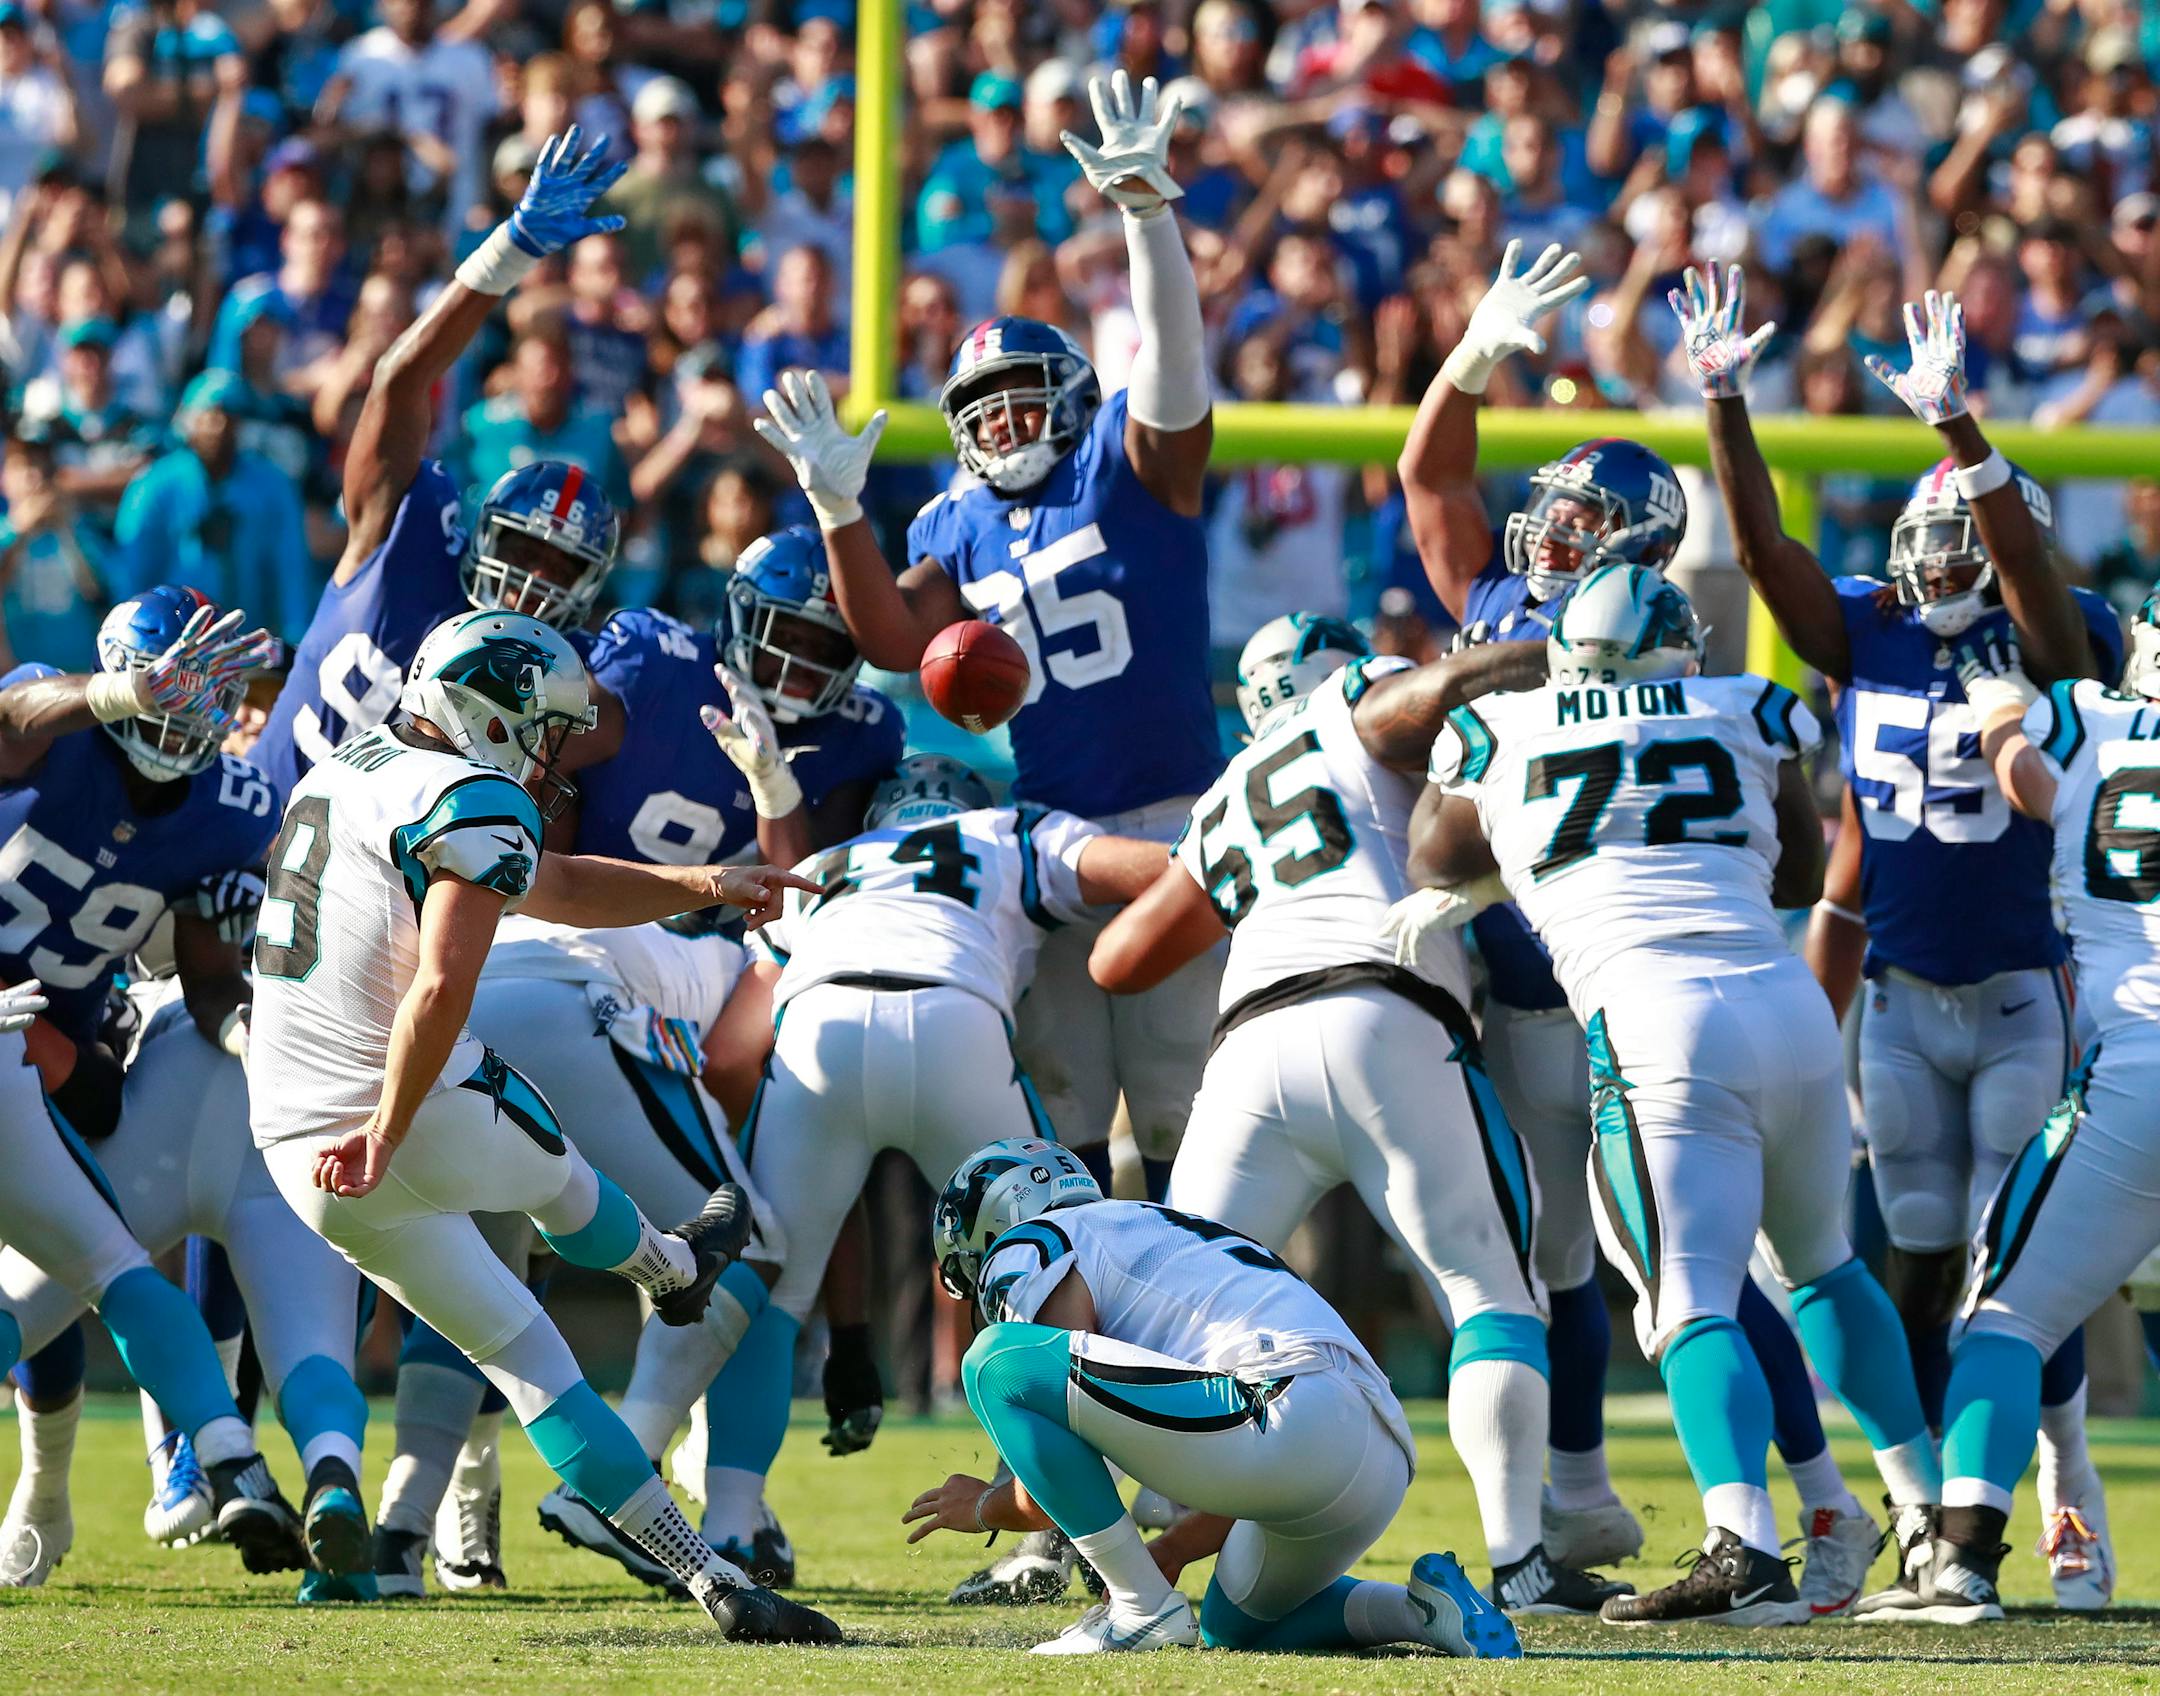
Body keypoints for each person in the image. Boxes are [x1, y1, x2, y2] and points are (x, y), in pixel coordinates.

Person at [749, 70, 1225, 1604]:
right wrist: (838, 507)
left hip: (1164, 829)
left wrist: (1151, 217)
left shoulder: (1123, 466)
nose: (1007, 423)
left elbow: (1175, 386)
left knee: (1195, 1159)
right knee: (1057, 1171)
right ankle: (1054, 1495)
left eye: (1027, 399)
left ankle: (1205, 1441)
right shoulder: (951, 519)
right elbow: (893, 637)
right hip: (1048, 845)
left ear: (1069, 404)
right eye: (984, 409)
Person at [1396, 242, 1864, 1606]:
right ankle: (1596, 1500)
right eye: (1550, 511)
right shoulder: (1503, 608)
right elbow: (1430, 481)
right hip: (1539, 988)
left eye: (1579, 520)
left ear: (1642, 548)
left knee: (1675, 1271)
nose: (1546, 533)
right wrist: (1470, 356)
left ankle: (1806, 1506)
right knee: (1578, 1262)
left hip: (1609, 1002)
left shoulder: (1665, 650)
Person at [245, 606, 837, 1643]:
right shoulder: (464, 794)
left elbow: (551, 883)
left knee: (531, 1362)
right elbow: (436, 990)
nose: (552, 747)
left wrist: (701, 882)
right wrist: (387, 1126)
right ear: (493, 704)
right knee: (551, 1168)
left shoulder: (344, 769)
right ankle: (666, 1269)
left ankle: (714, 1584)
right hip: (395, 1107)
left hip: (297, 1150)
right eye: (546, 723)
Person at [1678, 269, 2124, 1609]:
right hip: (1901, 996)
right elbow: (1762, 555)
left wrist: (1964, 438)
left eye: (1971, 539)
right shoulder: (1866, 633)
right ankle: (1938, 1511)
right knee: (1922, 1246)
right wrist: (1723, 404)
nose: (1945, 561)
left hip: (2023, 991)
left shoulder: (2056, 635)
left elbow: (2052, 622)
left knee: (2010, 1257)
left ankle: (2063, 1489)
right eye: (1931, 539)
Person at [1400, 564, 1942, 1626]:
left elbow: (1435, 851)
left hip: (1651, 1020)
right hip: (1783, 1003)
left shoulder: (1502, 722)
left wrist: (1538, 855)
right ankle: (1927, 1520)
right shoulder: (1741, 702)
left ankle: (1743, 1541)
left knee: (1685, 1298)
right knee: (1824, 1265)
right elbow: (1794, 864)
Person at [1092, 613, 1624, 1617]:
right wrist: (1578, 655)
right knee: (1491, 1294)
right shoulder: (1365, 707)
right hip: (1384, 1008)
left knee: (1172, 1316)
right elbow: (1432, 693)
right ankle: (1520, 1563)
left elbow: (1116, 960)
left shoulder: (1229, 795)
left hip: (1248, 1050)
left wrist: (1225, 887)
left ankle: (1122, 1538)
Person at [604, 751, 1167, 1573]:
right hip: (953, 1019)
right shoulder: (1007, 829)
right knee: (1059, 1270)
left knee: (772, 1285)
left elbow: (734, 1046)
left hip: (819, 1027)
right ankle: (1062, 1527)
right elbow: (1147, 868)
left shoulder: (829, 865)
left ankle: (729, 1525)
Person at [904, 1139, 1521, 1660]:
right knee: (1237, 1624)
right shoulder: (1152, 1232)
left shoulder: (1039, 1240)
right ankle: (1419, 1612)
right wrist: (1170, 1549)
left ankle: (1139, 1609)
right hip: (1370, 1453)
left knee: (994, 1361)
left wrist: (984, 1505)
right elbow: (1235, 1445)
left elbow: (1064, 1461)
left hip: (1280, 1410)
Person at [0, 586, 319, 1587]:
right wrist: (117, 691)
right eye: (166, 692)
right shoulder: (51, 728)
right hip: (27, 1032)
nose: (181, 716)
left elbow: (214, 977)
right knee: (84, 1256)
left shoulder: (233, 811)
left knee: (70, 1259)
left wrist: (248, 1022)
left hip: (65, 1049)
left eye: (203, 696)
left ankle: (134, 1470)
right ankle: (168, 1463)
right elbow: (12, 717)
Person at [250, 127, 630, 801]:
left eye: (562, 568)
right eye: (525, 550)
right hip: (255, 837)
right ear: (484, 533)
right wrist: (510, 253)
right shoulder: (408, 535)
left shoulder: (554, 682)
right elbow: (398, 380)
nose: (534, 582)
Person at [1923, 605, 2160, 1621]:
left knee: (2004, 1319)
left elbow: (2029, 778)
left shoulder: (2091, 717)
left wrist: (1996, 707)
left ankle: (1964, 1559)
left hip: (2138, 1062)